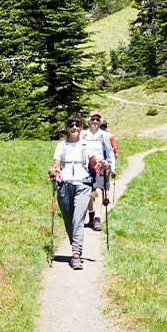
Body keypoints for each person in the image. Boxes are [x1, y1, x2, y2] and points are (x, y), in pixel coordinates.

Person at [49, 113, 100, 270]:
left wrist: (101, 166)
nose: (74, 127)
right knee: (68, 218)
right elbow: (57, 164)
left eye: (77, 125)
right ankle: (75, 242)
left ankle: (76, 254)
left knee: (78, 220)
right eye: (71, 125)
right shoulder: (61, 146)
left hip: (83, 184)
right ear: (67, 128)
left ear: (81, 127)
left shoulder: (86, 146)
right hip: (64, 184)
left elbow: (94, 163)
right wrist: (54, 170)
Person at [80, 109, 115, 230]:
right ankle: (91, 215)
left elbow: (109, 152)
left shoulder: (104, 135)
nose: (95, 121)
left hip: (100, 166)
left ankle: (97, 219)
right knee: (87, 192)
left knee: (99, 191)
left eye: (97, 119)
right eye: (93, 119)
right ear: (88, 121)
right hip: (86, 166)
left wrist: (112, 167)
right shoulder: (83, 134)